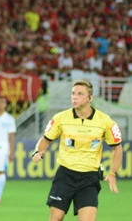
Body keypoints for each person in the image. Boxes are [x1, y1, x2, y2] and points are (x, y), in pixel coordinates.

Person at [31, 79, 122, 221]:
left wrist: (113, 173)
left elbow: (117, 147)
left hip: (89, 179)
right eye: (73, 93)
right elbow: (46, 139)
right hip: (65, 176)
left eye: (80, 94)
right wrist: (37, 152)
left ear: (90, 98)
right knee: (56, 217)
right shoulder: (60, 118)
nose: (74, 97)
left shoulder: (105, 121)